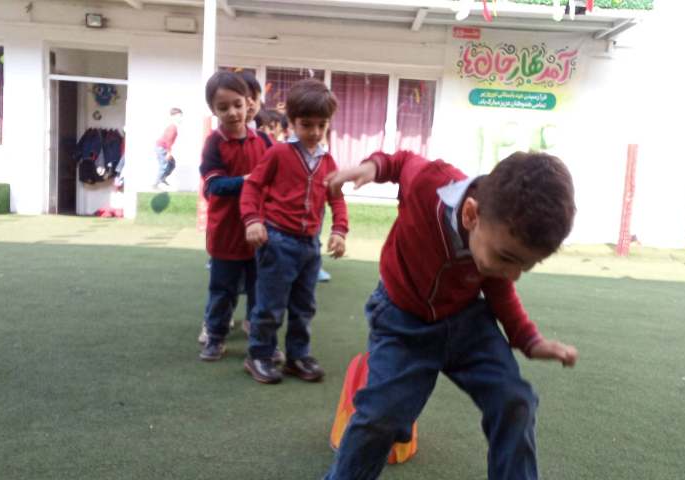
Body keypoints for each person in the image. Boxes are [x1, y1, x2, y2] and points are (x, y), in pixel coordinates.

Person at [322, 150, 578, 479]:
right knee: (379, 415)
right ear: (470, 215)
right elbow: (402, 162)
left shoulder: (496, 239)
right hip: (402, 320)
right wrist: (373, 167)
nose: (513, 274)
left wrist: (529, 339)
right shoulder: (431, 184)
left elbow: (500, 288)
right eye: (507, 258)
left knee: (515, 400)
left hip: (465, 321)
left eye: (526, 266)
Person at [240, 79, 348, 384]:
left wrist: (339, 230)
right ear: (292, 122)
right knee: (270, 306)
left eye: (321, 125)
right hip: (277, 241)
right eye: (306, 124)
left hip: (310, 246)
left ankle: (298, 356)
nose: (314, 132)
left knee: (304, 306)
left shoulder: (328, 161)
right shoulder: (279, 153)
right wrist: (252, 220)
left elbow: (337, 199)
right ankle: (259, 355)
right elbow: (252, 186)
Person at [198, 71, 273, 362]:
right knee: (222, 291)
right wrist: (249, 180)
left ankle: (261, 342)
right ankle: (215, 338)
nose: (232, 112)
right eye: (223, 107)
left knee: (260, 291)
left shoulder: (264, 141)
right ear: (213, 110)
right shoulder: (214, 144)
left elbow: (279, 176)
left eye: (237, 104)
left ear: (248, 103)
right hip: (226, 234)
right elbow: (213, 185)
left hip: (259, 234)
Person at [153, 107, 182, 189]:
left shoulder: (173, 127)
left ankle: (162, 179)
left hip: (163, 148)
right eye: (179, 116)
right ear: (174, 117)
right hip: (161, 148)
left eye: (181, 116)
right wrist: (169, 152)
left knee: (172, 164)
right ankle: (155, 184)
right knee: (164, 165)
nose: (181, 118)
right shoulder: (172, 127)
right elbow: (168, 141)